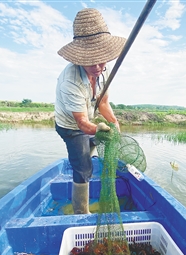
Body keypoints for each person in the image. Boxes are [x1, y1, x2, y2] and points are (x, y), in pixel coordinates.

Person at [55, 8, 126, 214]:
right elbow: (82, 124)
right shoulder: (71, 80)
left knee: (97, 139)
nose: (97, 66)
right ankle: (80, 210)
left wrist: (114, 122)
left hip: (87, 121)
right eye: (90, 61)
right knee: (84, 167)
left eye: (101, 60)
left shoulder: (102, 71)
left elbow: (102, 101)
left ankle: (86, 151)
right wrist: (98, 129)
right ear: (79, 57)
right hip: (70, 126)